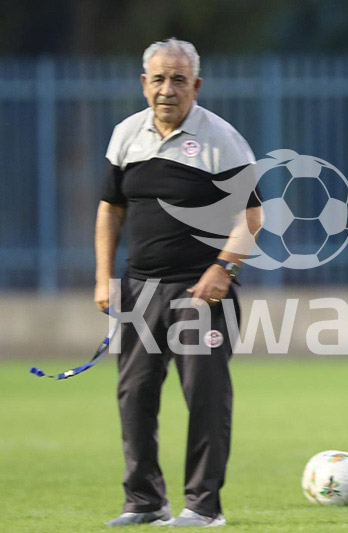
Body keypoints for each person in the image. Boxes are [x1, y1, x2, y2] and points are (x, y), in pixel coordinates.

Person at [94, 38, 261, 528]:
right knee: (135, 395)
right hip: (139, 289)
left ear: (197, 86)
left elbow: (253, 215)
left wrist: (223, 268)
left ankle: (203, 508)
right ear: (144, 83)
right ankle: (144, 502)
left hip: (200, 290)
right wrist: (104, 277)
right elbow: (110, 210)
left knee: (205, 397)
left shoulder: (221, 139)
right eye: (159, 79)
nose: (168, 89)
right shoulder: (126, 134)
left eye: (179, 80)